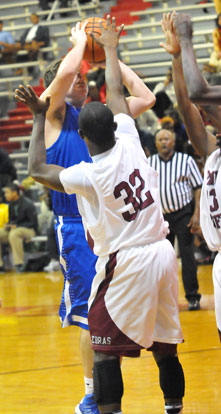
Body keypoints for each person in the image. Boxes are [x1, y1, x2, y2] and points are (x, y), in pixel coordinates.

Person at [24, 16, 185, 414]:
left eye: (82, 79)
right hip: (134, 242)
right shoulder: (123, 134)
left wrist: (92, 52)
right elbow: (110, 89)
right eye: (75, 78)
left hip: (120, 246)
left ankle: (101, 400)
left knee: (101, 336)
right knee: (151, 341)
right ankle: (157, 404)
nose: (79, 79)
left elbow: (37, 170)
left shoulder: (92, 155)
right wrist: (106, 49)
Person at [160, 12, 221, 338]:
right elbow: (187, 105)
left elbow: (198, 93)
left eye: (213, 111)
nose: (207, 117)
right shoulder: (213, 152)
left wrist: (185, 39)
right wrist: (175, 60)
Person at [148, 128, 203, 310]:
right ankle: (164, 299)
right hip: (160, 217)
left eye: (167, 138)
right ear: (156, 143)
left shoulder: (185, 161)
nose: (163, 142)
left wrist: (196, 214)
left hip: (183, 213)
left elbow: (198, 187)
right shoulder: (149, 163)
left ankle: (192, 296)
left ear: (173, 142)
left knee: (187, 255)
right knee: (162, 259)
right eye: (160, 139)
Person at [0, 183, 38, 274]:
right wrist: (8, 225)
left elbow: (33, 223)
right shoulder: (11, 204)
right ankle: (0, 265)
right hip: (15, 230)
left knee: (15, 233)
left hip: (29, 230)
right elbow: (12, 220)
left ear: (15, 193)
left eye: (7, 193)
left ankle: (19, 264)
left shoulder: (28, 204)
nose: (5, 195)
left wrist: (17, 226)